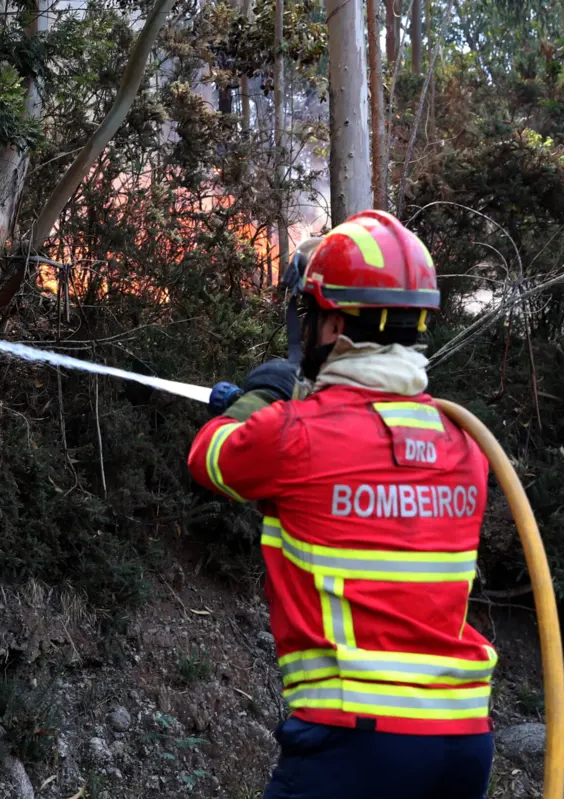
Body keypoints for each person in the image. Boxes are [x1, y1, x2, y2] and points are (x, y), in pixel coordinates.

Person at [188, 210, 497, 799]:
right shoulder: (464, 446)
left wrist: (259, 398)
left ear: (332, 325)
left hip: (358, 741)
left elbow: (210, 457)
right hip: (463, 742)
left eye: (309, 316)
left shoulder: (295, 434)